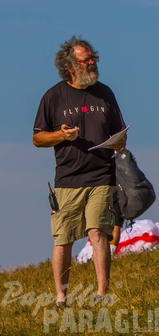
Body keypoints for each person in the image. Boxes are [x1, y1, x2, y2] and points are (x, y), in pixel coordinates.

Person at [33, 37, 126, 305]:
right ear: (71, 66)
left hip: (102, 175)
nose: (93, 62)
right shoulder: (53, 96)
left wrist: (119, 142)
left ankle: (101, 293)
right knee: (63, 239)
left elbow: (119, 131)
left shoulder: (106, 93)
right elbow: (38, 138)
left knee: (98, 232)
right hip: (67, 179)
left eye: (93, 57)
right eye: (86, 59)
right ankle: (61, 297)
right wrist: (60, 136)